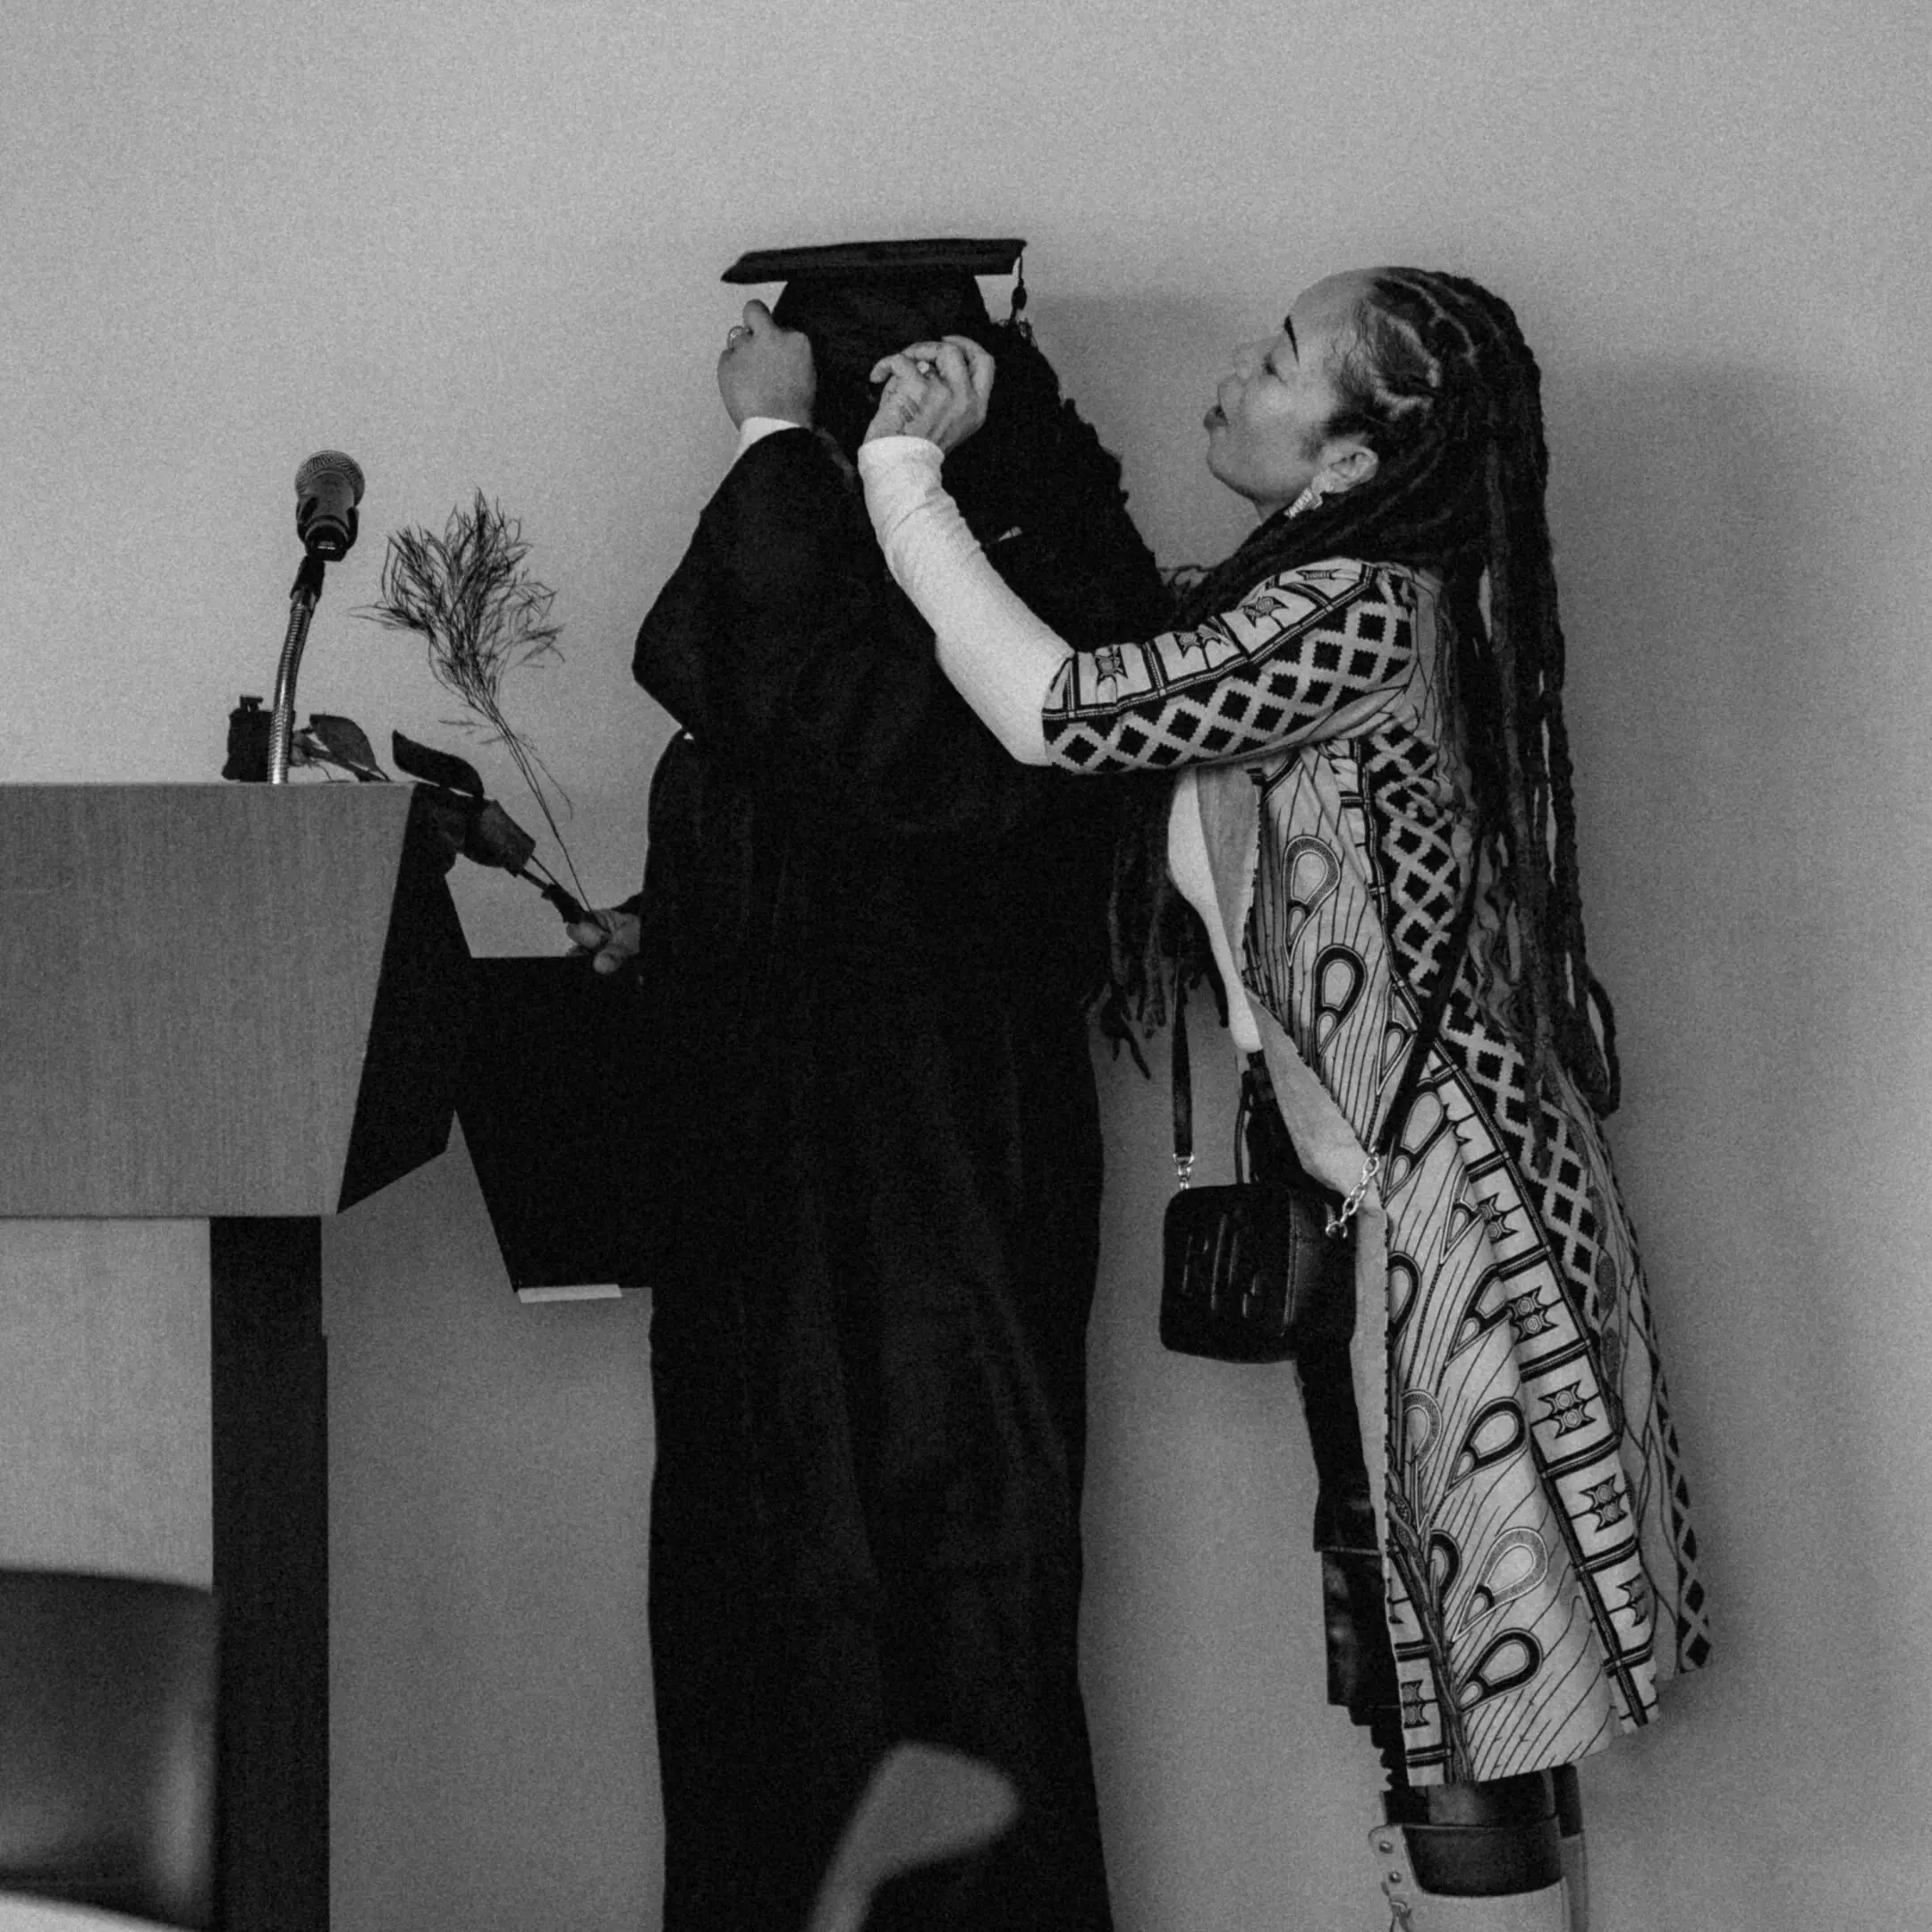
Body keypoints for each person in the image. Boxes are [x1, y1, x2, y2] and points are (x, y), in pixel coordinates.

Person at [855, 268, 1710, 1931]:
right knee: (1437, 1691)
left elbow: (1057, 709)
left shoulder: (1357, 610)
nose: (1236, 377)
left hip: (1448, 1224)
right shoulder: (1337, 593)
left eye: (1279, 363)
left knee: (1473, 1704)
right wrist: (1011, 403)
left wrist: (903, 470)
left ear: (1354, 450)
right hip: (1400, 1208)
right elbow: (1135, 648)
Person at [572, 242, 1167, 1932]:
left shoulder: (1025, 599)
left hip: (932, 1191)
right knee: (769, 1605)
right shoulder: (865, 603)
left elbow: (883, 747)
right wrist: (670, 920)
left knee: (936, 1598)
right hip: (807, 1181)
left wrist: (776, 451)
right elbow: (750, 697)